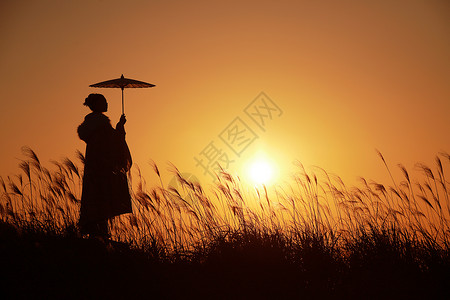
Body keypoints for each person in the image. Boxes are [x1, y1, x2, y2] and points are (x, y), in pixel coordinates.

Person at [78, 93, 132, 239]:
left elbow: (109, 141)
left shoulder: (93, 124)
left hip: (93, 168)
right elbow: (113, 142)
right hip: (102, 168)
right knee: (102, 196)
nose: (107, 103)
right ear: (96, 105)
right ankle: (100, 233)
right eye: (104, 101)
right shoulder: (100, 124)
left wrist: (118, 128)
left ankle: (97, 230)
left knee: (94, 197)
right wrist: (120, 128)